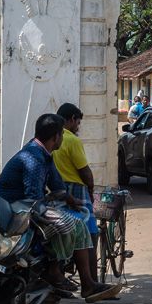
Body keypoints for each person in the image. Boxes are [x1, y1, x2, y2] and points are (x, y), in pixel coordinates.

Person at [0, 113, 121, 303]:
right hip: (16, 210)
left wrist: (71, 200)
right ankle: (55, 270)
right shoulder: (34, 158)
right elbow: (33, 196)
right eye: (61, 134)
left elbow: (57, 184)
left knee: (80, 223)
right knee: (69, 224)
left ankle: (88, 284)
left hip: (27, 207)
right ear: (56, 137)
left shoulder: (44, 154)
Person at [52, 102, 99, 276]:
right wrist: (91, 190)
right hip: (76, 190)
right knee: (90, 236)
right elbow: (85, 171)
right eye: (78, 123)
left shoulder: (51, 138)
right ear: (72, 119)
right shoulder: (71, 140)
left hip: (56, 190)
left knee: (62, 233)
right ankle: (92, 280)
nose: (78, 127)